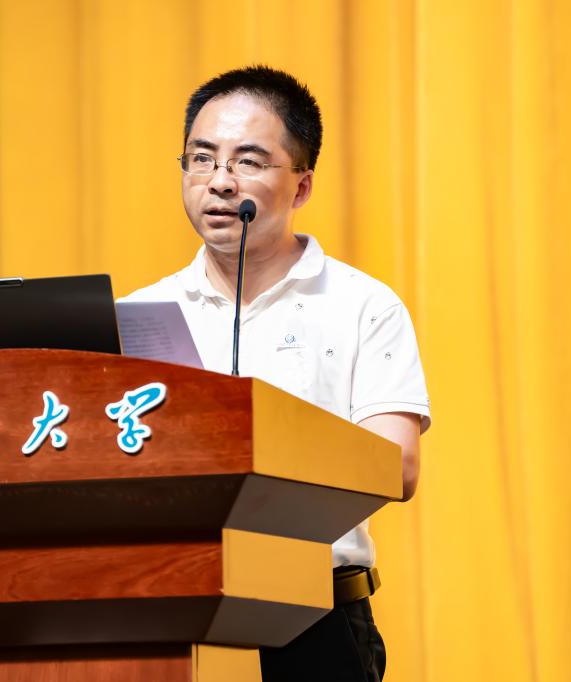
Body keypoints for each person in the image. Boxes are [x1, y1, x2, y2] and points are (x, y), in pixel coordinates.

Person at [120, 65, 431, 681]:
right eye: (201, 159)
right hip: (167, 609)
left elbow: (396, 465)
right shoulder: (139, 314)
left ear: (302, 185)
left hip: (316, 616)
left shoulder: (362, 305)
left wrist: (251, 445)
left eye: (249, 161)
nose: (219, 181)